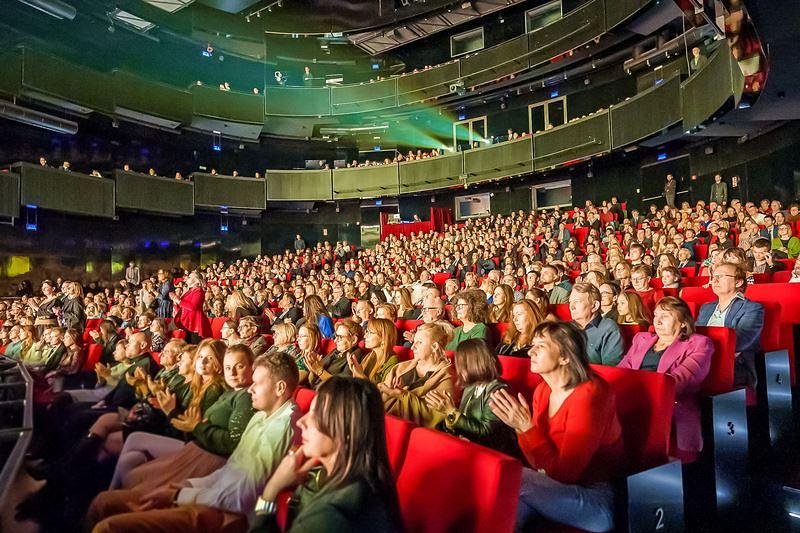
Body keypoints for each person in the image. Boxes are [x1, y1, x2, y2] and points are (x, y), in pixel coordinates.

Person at [89, 352, 301, 533]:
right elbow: (230, 471)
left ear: (280, 388)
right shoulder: (262, 415)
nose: (250, 389)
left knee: (108, 527)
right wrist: (186, 486)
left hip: (227, 515)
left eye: (257, 383)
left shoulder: (282, 426)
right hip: (210, 496)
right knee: (103, 502)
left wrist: (179, 495)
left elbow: (241, 496)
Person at [490, 321, 622, 532]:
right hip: (552, 486)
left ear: (565, 357)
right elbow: (539, 464)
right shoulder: (543, 391)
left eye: (540, 346)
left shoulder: (592, 394)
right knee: (502, 509)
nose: (531, 351)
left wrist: (526, 427)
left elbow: (567, 475)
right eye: (532, 344)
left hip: (595, 498)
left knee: (511, 477)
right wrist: (520, 427)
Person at [250, 377, 402, 533]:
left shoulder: (330, 516)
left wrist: (271, 490)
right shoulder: (366, 481)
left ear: (346, 431)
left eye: (316, 414)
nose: (301, 422)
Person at [618, 297, 713, 454]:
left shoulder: (699, 344)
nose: (658, 321)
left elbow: (681, 382)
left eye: (665, 316)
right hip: (633, 399)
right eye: (656, 315)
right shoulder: (641, 339)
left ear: (683, 322)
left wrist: (637, 393)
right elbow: (622, 371)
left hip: (670, 404)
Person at [427, 338, 520, 458]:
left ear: (475, 363)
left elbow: (486, 434)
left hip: (493, 455)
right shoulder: (471, 387)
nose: (458, 369)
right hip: (470, 446)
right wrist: (447, 414)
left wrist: (451, 412)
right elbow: (463, 421)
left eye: (461, 364)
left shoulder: (497, 391)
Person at [696, 262, 764, 387]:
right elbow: (694, 336)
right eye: (713, 276)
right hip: (700, 359)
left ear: (738, 282)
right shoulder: (706, 308)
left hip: (733, 364)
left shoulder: (752, 308)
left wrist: (702, 350)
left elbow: (741, 341)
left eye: (721, 276)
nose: (714, 280)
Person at [380, 322, 454, 427]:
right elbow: (380, 400)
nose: (412, 347)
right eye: (414, 342)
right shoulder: (399, 368)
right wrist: (388, 393)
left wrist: (400, 394)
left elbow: (431, 417)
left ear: (434, 347)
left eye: (419, 342)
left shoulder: (447, 377)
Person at [568, 283, 624, 366]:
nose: (571, 307)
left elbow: (610, 368)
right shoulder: (567, 328)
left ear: (594, 306)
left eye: (577, 301)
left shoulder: (608, 328)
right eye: (570, 302)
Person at [305, 319, 364, 387]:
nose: (335, 341)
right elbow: (313, 380)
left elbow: (342, 385)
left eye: (340, 337)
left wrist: (319, 371)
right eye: (336, 336)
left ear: (354, 340)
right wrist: (313, 370)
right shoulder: (336, 351)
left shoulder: (355, 356)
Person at [172, 272, 212, 343]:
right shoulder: (190, 291)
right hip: (188, 323)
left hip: (195, 323)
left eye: (190, 277)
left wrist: (178, 301)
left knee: (195, 347)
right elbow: (183, 307)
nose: (187, 277)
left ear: (196, 280)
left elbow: (193, 307)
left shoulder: (198, 291)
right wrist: (176, 302)